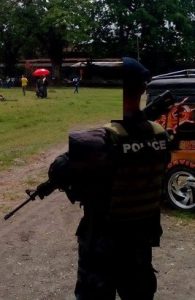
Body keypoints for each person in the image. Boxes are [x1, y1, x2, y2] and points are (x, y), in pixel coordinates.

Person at [36, 57, 171, 300]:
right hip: (140, 242)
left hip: (103, 245)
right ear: (143, 89)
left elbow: (58, 170)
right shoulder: (160, 135)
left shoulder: (101, 140)